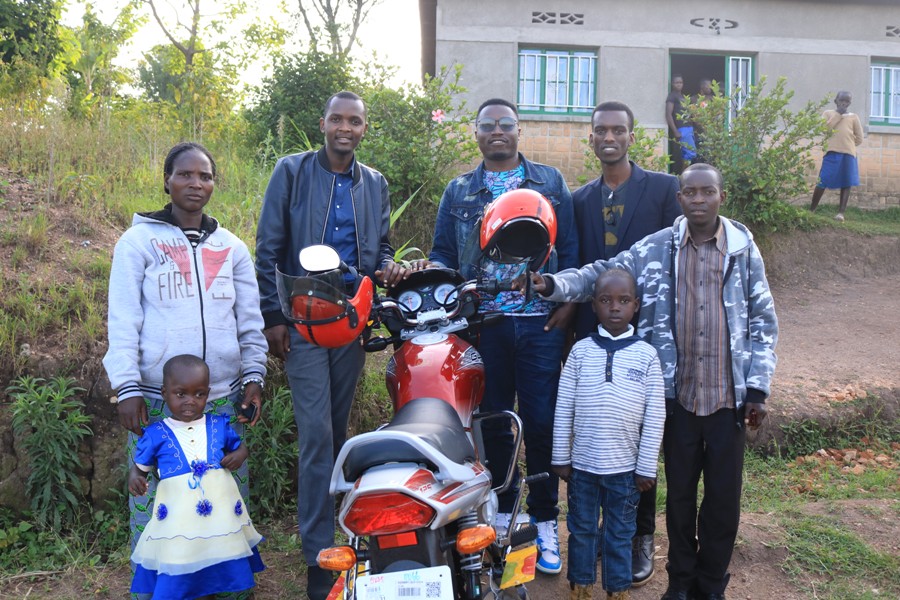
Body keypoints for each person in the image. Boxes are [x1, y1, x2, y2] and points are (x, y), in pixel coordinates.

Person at [525, 163, 778, 600]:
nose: (698, 200)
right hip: (677, 399)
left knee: (722, 501)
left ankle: (710, 586)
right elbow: (602, 274)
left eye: (707, 192)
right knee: (678, 498)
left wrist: (757, 388)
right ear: (679, 199)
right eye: (690, 193)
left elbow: (763, 319)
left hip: (728, 398)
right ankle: (679, 584)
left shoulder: (742, 249)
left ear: (721, 197)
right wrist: (551, 284)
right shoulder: (657, 248)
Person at [254, 90, 408, 600]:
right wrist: (273, 317)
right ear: (323, 124)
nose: (345, 128)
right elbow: (268, 248)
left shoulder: (375, 183)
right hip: (301, 319)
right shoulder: (292, 172)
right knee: (317, 435)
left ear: (364, 128)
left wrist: (389, 268)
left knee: (339, 434)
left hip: (350, 319)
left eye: (355, 121)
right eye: (337, 119)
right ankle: (319, 558)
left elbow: (381, 248)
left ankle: (347, 541)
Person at [418, 98, 578, 575]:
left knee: (541, 422)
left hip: (540, 323)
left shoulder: (550, 182)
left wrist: (568, 303)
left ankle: (545, 520)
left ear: (519, 129)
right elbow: (444, 255)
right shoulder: (459, 190)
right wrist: (430, 278)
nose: (497, 131)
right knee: (492, 423)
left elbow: (570, 250)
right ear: (476, 133)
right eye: (487, 125)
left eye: (506, 123)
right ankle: (505, 513)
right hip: (483, 325)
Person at [103, 142, 268, 597]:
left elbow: (249, 320)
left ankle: (228, 586)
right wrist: (126, 387)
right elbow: (123, 319)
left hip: (220, 395)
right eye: (185, 175)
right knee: (159, 502)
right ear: (167, 181)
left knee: (223, 496)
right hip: (158, 397)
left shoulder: (231, 247)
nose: (196, 184)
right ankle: (158, 588)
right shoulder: (138, 242)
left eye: (205, 176)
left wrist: (254, 377)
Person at [572, 100, 681, 586]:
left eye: (618, 130)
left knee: (638, 439)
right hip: (593, 336)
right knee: (598, 434)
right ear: (591, 138)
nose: (609, 137)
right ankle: (601, 532)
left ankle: (640, 535)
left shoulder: (663, 189)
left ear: (632, 137)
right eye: (601, 130)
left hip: (647, 334)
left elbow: (678, 254)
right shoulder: (578, 199)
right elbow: (574, 263)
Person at [553, 269, 665, 600]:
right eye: (605, 300)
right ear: (593, 305)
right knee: (582, 530)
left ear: (636, 305)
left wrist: (646, 467)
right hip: (583, 468)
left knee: (619, 534)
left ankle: (618, 590)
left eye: (623, 300)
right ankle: (581, 587)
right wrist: (561, 457)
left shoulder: (647, 356)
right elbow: (564, 407)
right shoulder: (580, 352)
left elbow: (655, 416)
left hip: (626, 472)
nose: (615, 307)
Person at [128, 355, 265, 599]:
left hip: (219, 518)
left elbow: (240, 447)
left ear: (208, 394)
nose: (190, 401)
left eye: (199, 394)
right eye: (181, 394)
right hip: (179, 521)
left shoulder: (218, 424)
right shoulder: (156, 433)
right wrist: (135, 479)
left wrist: (239, 455)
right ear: (165, 393)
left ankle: (212, 590)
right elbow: (139, 468)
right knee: (182, 557)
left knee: (214, 555)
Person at [809, 91, 864, 221]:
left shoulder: (854, 117)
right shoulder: (828, 114)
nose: (844, 103)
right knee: (823, 179)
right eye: (841, 100)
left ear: (850, 103)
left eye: (847, 101)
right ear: (836, 101)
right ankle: (812, 210)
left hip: (849, 154)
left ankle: (841, 213)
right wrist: (838, 114)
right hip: (831, 152)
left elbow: (859, 138)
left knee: (846, 181)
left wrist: (848, 145)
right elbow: (824, 129)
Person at [666, 75, 689, 174]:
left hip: (688, 129)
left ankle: (685, 176)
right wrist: (675, 131)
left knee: (688, 154)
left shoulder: (684, 97)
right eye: (676, 82)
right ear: (672, 84)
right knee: (680, 155)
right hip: (680, 129)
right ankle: (679, 177)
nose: (679, 84)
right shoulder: (672, 96)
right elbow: (668, 114)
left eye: (681, 82)